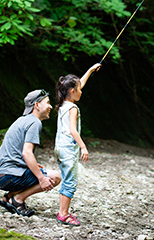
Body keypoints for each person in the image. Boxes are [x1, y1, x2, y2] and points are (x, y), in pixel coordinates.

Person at [0, 89, 61, 217]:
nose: (50, 107)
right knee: (55, 177)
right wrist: (41, 179)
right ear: (36, 105)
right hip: (10, 176)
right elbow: (27, 153)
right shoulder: (35, 122)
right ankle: (17, 200)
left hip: (0, 176)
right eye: (47, 103)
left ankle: (8, 197)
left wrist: (32, 165)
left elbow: (4, 147)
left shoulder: (20, 120)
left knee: (37, 170)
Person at [54, 63, 101, 226]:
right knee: (70, 182)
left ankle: (62, 211)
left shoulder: (62, 105)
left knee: (67, 179)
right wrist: (83, 147)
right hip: (68, 150)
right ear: (72, 92)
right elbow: (73, 130)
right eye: (79, 90)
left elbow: (78, 84)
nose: (81, 91)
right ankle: (63, 214)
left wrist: (90, 70)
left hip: (59, 149)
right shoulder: (73, 107)